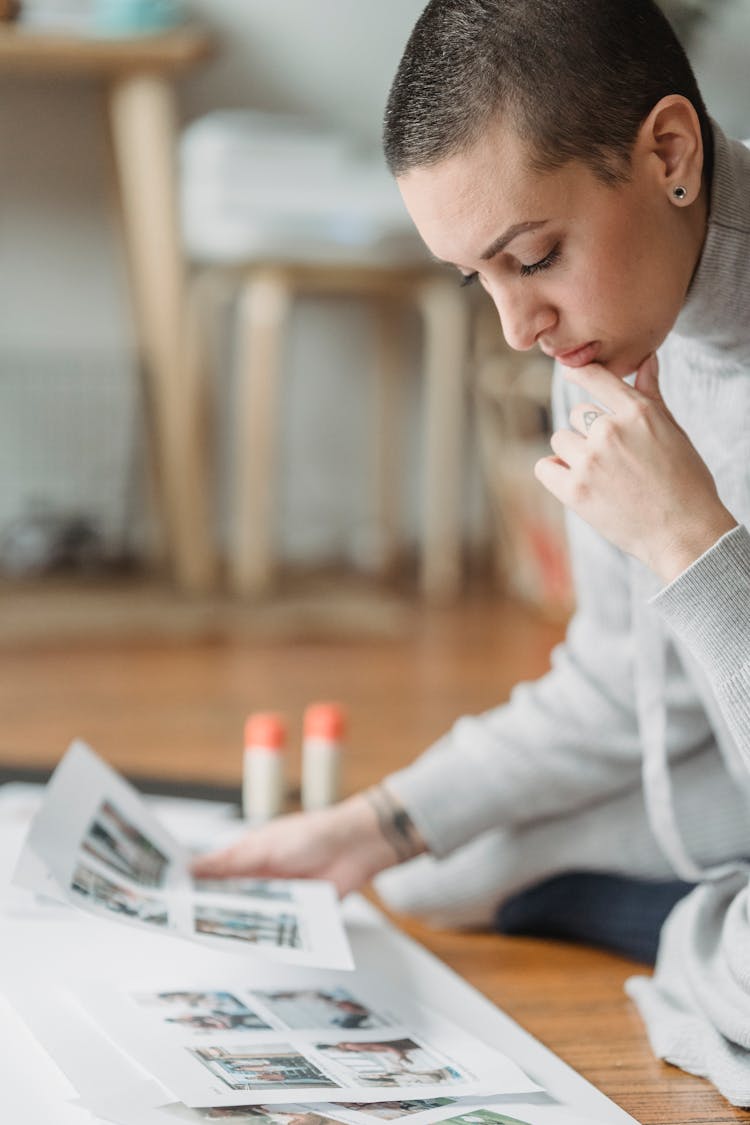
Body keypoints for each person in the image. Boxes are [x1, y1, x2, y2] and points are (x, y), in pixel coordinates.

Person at [193, 0, 750, 1105]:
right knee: (445, 870)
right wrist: (377, 823)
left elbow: (692, 594)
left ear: (671, 153)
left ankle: (700, 928)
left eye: (534, 256)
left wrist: (691, 543)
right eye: (478, 277)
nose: (517, 327)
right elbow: (610, 681)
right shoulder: (601, 333)